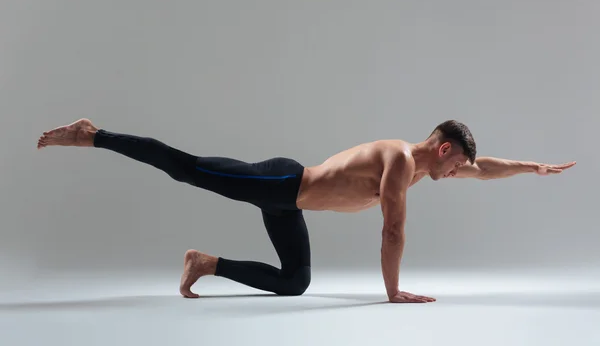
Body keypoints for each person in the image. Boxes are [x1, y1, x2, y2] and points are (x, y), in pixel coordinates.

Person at [36, 118, 575, 303]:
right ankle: (94, 135)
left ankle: (204, 263)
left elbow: (486, 168)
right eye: (456, 164)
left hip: (289, 204)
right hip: (280, 182)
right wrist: (392, 293)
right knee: (187, 167)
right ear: (442, 149)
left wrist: (531, 166)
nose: (459, 174)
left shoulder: (422, 166)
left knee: (295, 282)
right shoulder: (395, 160)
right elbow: (392, 230)